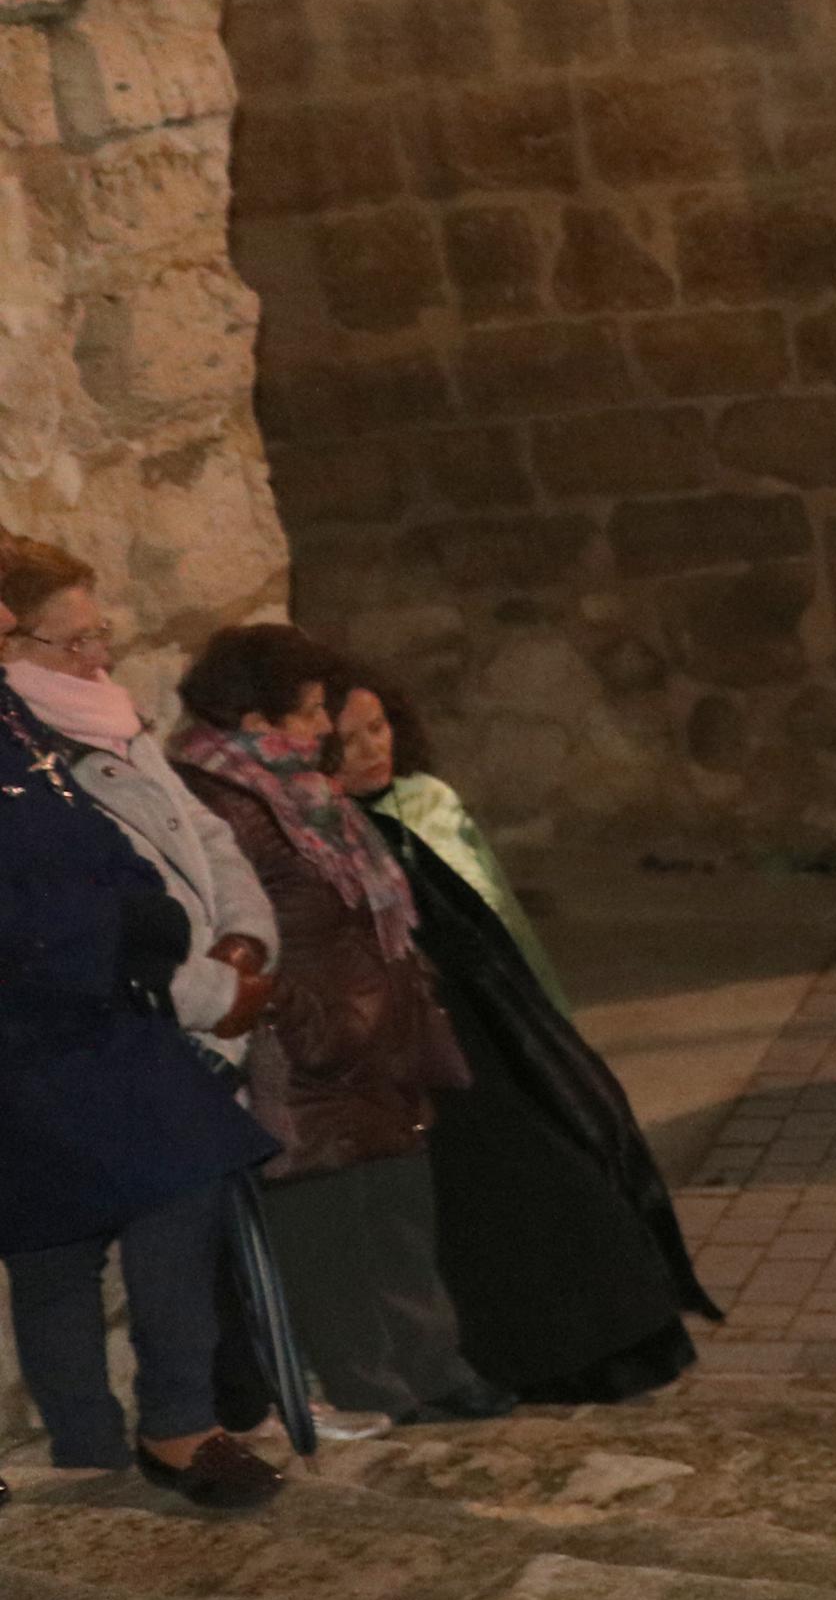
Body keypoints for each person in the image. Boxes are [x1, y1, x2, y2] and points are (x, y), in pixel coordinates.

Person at [331, 671, 717, 1404]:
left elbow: (497, 915)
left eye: (377, 727)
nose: (369, 750)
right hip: (432, 1046)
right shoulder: (340, 835)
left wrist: (546, 1017)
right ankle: (543, 1358)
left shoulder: (427, 804)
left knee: (572, 1163)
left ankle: (616, 1343)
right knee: (508, 1196)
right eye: (346, 740)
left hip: (498, 1022)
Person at [0, 548, 287, 1510]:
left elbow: (116, 844)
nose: (94, 656)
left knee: (144, 1191)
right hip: (42, 1015)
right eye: (63, 636)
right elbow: (28, 900)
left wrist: (195, 931)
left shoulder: (27, 726)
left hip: (107, 996)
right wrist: (175, 971)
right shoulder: (34, 716)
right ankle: (113, 1443)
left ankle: (161, 1429)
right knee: (70, 1230)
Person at [171, 623, 512, 1431]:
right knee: (329, 1233)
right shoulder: (223, 800)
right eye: (313, 710)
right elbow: (233, 927)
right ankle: (374, 1386)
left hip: (371, 1041)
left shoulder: (300, 789)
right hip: (303, 1052)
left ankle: (436, 1367)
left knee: (397, 1210)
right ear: (258, 720)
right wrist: (303, 1011)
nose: (327, 727)